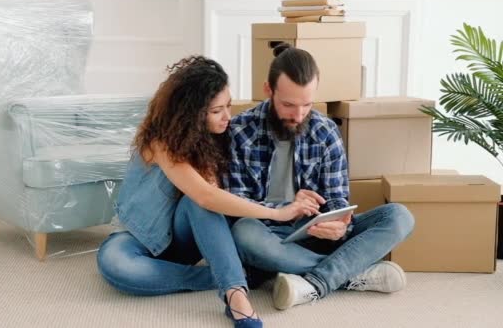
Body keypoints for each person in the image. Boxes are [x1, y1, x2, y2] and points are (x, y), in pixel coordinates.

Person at [97, 56, 305, 327]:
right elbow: (207, 195)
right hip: (138, 239)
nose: (227, 117)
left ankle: (235, 295)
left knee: (200, 202)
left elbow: (210, 199)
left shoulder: (212, 140)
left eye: (228, 106)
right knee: (117, 265)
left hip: (182, 241)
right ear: (192, 113)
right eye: (217, 110)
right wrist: (276, 214)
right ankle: (235, 277)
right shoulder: (160, 142)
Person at [223, 43, 415, 310]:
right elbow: (236, 203)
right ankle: (351, 274)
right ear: (268, 90)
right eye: (288, 104)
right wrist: (286, 208)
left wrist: (340, 226)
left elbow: (337, 197)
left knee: (399, 216)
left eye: (306, 104)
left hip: (316, 233)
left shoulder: (325, 130)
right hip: (268, 233)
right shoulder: (239, 131)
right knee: (243, 232)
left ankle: (310, 281)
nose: (298, 115)